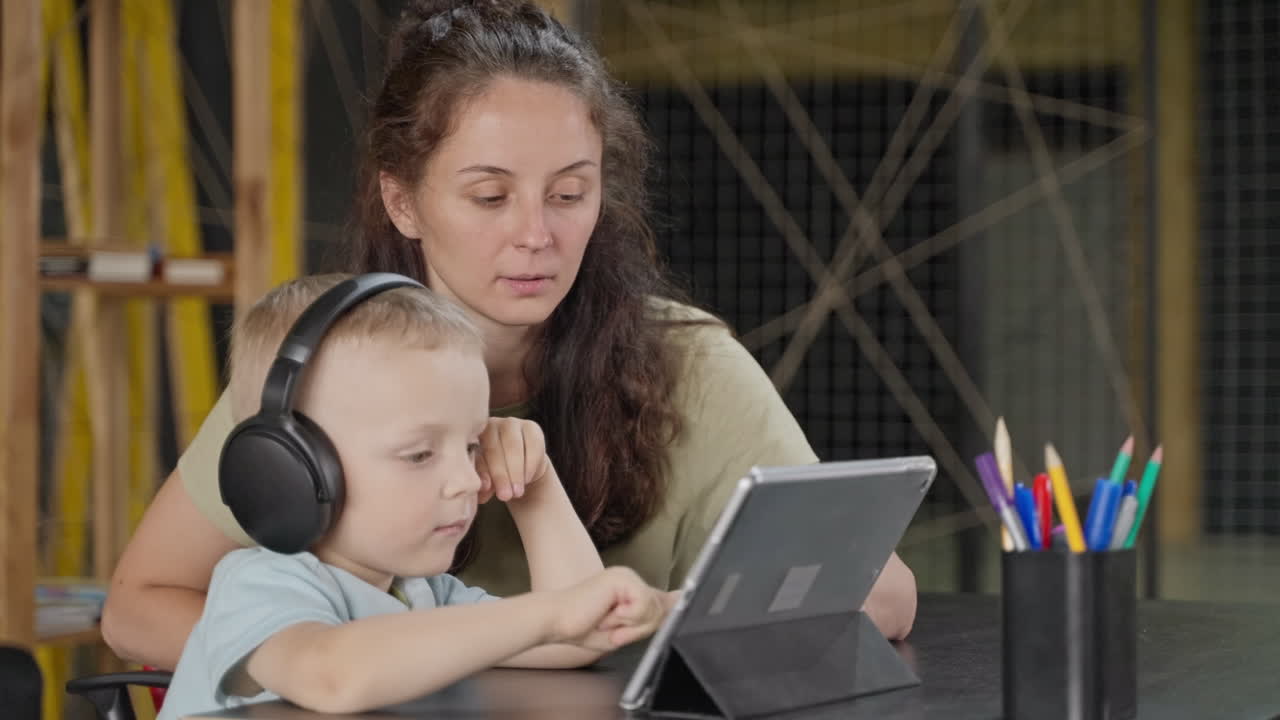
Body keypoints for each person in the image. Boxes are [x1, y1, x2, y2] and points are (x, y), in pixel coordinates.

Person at [102, 0, 917, 671]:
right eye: (490, 198)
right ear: (404, 201)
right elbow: (137, 609)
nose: (536, 235)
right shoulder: (325, 363)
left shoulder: (690, 362)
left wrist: (647, 616)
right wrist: (325, 657)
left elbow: (883, 594)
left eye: (569, 195)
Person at [156, 274, 671, 720]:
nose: (468, 480)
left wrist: (534, 489)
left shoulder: (423, 593)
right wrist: (551, 615)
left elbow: (571, 642)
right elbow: (332, 674)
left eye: (471, 446)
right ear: (292, 468)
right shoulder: (259, 584)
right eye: (420, 454)